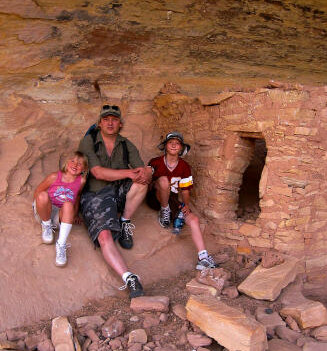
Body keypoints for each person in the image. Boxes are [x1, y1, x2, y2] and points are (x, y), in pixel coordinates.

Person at [78, 104, 152, 299]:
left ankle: (125, 221)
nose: (110, 122)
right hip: (96, 193)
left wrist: (146, 173)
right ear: (100, 123)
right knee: (104, 236)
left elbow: (141, 170)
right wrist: (129, 173)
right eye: (106, 119)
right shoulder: (89, 141)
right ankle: (129, 278)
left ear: (120, 124)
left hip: (118, 191)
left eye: (114, 119)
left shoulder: (126, 144)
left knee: (141, 184)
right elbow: (97, 172)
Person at [147, 131, 217, 270]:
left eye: (177, 143)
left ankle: (203, 257)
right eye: (170, 142)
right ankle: (164, 211)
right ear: (165, 145)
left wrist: (185, 204)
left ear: (181, 148)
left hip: (171, 198)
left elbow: (185, 190)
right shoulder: (155, 162)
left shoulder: (184, 167)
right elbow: (147, 182)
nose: (174, 145)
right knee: (163, 180)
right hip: (155, 197)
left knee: (193, 219)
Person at [33, 151, 88, 267]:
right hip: (45, 213)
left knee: (68, 204)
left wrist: (75, 214)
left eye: (79, 164)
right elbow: (38, 191)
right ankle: (47, 226)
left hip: (62, 217)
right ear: (67, 163)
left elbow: (77, 197)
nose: (75, 165)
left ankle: (61, 244)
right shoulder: (54, 176)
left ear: (84, 169)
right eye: (72, 161)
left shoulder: (81, 181)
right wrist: (39, 205)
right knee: (43, 195)